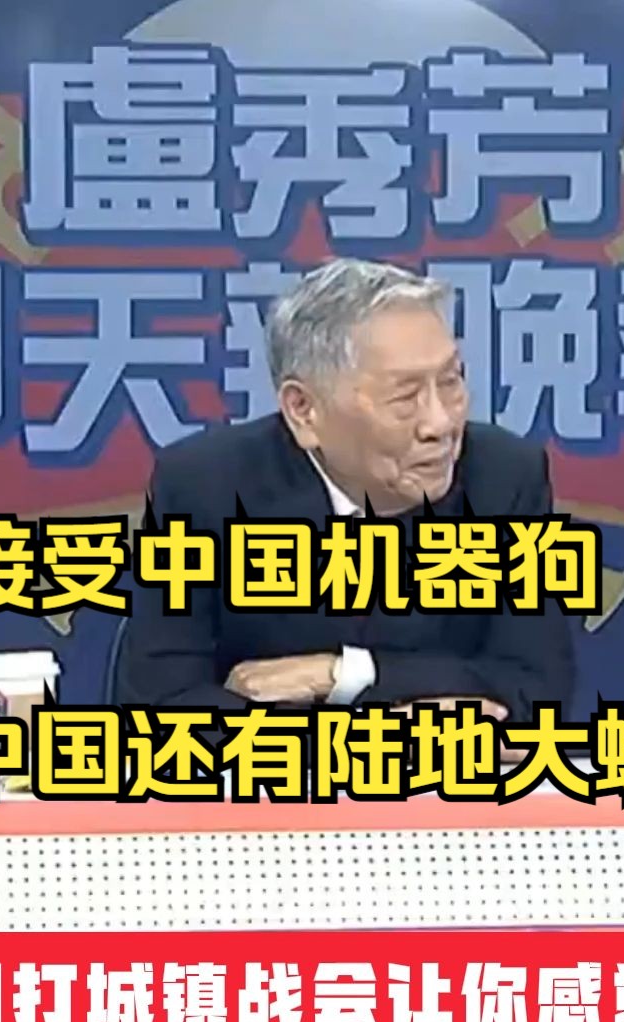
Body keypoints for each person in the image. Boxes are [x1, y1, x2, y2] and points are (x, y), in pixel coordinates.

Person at [115, 257, 576, 724]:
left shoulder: (503, 478)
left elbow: (538, 688)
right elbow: (160, 706)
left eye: (451, 380)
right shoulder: (205, 489)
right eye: (405, 396)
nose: (441, 423)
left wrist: (344, 673)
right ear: (304, 410)